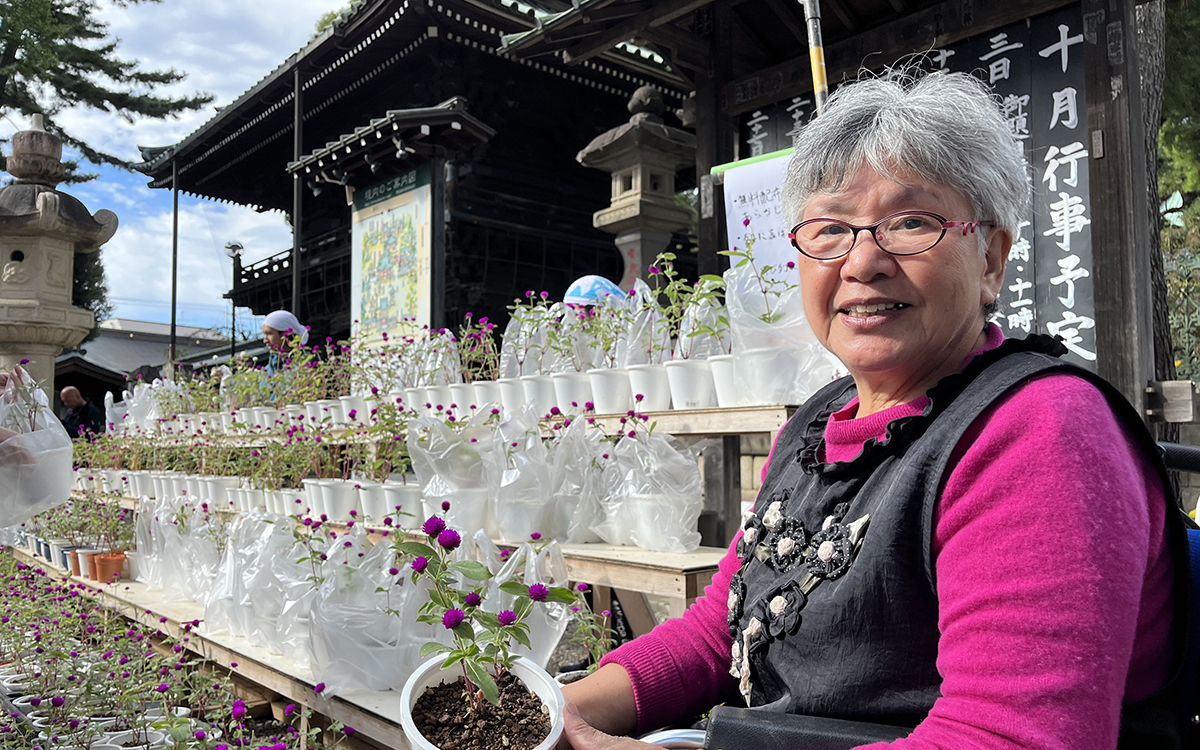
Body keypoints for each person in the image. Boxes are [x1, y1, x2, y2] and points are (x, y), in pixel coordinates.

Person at [558, 71, 1187, 750]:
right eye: (829, 229)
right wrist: (555, 714)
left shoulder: (1039, 433)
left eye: (911, 223)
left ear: (991, 261)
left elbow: (1007, 739)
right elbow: (724, 629)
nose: (862, 260)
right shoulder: (817, 422)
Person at [261, 310, 309, 375]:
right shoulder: (267, 371)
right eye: (264, 334)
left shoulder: (303, 365)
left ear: (285, 334)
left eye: (269, 333)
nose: (265, 340)